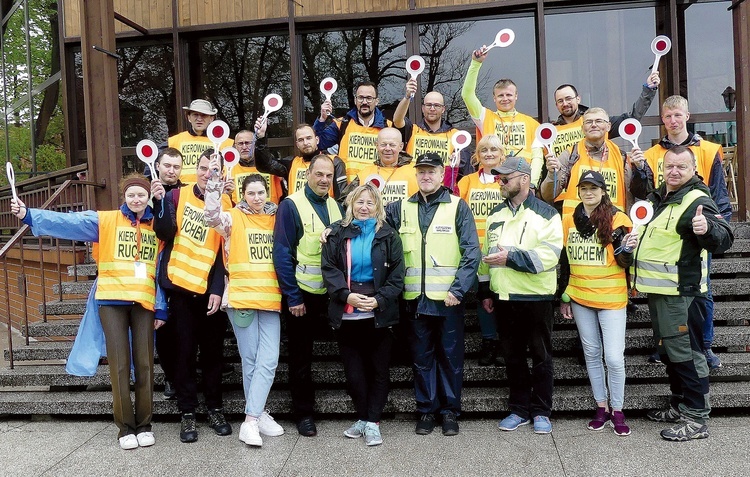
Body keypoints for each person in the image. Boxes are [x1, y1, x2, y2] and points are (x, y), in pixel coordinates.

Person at [11, 174, 165, 450]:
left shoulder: (159, 225)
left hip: (144, 304)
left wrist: (162, 308)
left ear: (148, 196)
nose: (136, 199)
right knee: (118, 367)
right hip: (111, 302)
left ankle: (145, 425)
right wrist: (28, 214)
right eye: (131, 195)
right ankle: (125, 428)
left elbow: (161, 269)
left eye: (141, 194)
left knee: (144, 366)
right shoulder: (105, 220)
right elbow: (68, 222)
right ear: (124, 197)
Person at [632, 146, 733, 441]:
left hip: (683, 293)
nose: (674, 172)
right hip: (660, 290)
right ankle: (680, 404)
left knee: (688, 354)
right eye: (670, 166)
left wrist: (707, 228)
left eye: (681, 167)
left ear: (693, 170)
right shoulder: (660, 197)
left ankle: (697, 418)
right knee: (670, 353)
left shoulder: (697, 199)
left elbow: (724, 237)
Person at [630, 95, 733, 369]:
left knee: (703, 292)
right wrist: (639, 170)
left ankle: (705, 346)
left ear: (687, 115)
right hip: (663, 238)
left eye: (678, 115)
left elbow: (720, 196)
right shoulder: (651, 155)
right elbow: (645, 196)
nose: (673, 121)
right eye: (668, 116)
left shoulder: (710, 150)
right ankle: (662, 346)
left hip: (698, 231)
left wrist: (714, 229)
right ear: (662, 120)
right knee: (660, 295)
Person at [385, 152, 481, 437]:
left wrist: (458, 289)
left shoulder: (457, 206)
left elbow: (471, 252)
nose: (426, 176)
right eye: (421, 172)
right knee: (421, 358)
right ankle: (426, 411)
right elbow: (371, 224)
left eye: (431, 172)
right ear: (416, 175)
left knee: (451, 358)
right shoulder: (399, 208)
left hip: (448, 300)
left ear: (442, 175)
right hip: (414, 299)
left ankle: (450, 412)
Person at [152, 149, 231, 444]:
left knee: (213, 355)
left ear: (221, 173)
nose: (207, 173)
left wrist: (217, 289)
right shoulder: (177, 196)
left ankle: (215, 408)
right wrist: (159, 203)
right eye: (202, 167)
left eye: (214, 169)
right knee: (184, 354)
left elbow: (225, 251)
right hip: (181, 288)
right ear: (195, 170)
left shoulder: (227, 202)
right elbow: (164, 232)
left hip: (210, 292)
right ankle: (188, 412)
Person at [480, 157, 563, 435]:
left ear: (525, 179)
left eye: (506, 178)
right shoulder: (494, 214)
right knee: (512, 357)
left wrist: (511, 258)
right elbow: (485, 257)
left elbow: (549, 256)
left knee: (541, 357)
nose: (500, 182)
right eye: (499, 178)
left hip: (536, 298)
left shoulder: (548, 213)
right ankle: (518, 409)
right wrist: (485, 290)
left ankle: (541, 411)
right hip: (504, 297)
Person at [204, 168, 285, 447]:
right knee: (250, 361)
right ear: (242, 195)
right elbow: (211, 217)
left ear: (268, 193)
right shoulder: (232, 218)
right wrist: (214, 189)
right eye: (250, 193)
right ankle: (254, 418)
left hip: (271, 299)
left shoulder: (277, 218)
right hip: (241, 300)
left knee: (269, 359)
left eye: (261, 192)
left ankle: (255, 416)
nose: (256, 197)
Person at [321, 183, 405, 447]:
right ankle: (362, 417)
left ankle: (373, 422)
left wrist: (378, 300)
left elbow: (397, 276)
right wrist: (346, 296)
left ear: (378, 206)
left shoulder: (389, 235)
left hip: (378, 313)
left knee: (379, 370)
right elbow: (329, 268)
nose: (364, 207)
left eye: (370, 203)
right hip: (347, 312)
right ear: (350, 205)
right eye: (360, 202)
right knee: (354, 373)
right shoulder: (336, 233)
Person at [558, 170, 637, 436]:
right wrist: (565, 294)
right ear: (578, 191)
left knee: (613, 358)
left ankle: (618, 409)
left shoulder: (618, 218)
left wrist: (626, 249)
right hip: (580, 296)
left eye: (593, 188)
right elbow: (566, 260)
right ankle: (601, 407)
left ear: (603, 191)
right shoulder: (568, 219)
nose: (588, 193)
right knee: (591, 355)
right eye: (583, 188)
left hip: (612, 297)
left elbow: (625, 263)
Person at [272, 154, 344, 437]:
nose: (324, 180)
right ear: (308, 175)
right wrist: (293, 297)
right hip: (303, 293)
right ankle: (303, 413)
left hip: (333, 294)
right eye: (319, 175)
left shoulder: (337, 206)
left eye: (328, 176)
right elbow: (282, 253)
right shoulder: (291, 206)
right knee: (300, 358)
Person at [461, 49, 543, 186]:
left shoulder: (532, 123)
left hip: (521, 183)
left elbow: (537, 158)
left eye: (509, 95)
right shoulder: (485, 117)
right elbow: (467, 95)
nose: (505, 99)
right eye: (500, 95)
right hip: (491, 182)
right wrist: (475, 64)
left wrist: (532, 183)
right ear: (494, 98)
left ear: (516, 96)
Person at [457, 135, 505, 366]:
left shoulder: (508, 180)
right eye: (484, 150)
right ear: (477, 155)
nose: (488, 154)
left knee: (503, 297)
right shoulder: (466, 182)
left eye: (494, 149)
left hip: (503, 250)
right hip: (476, 251)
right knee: (483, 298)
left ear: (502, 154)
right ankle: (488, 342)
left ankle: (504, 341)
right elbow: (458, 212)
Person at [540, 107, 631, 216]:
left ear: (608, 126)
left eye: (598, 121)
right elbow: (548, 195)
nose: (593, 125)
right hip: (577, 227)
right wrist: (552, 174)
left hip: (611, 225)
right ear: (583, 128)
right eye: (588, 122)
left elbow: (630, 195)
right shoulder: (569, 155)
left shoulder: (621, 157)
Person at [549, 73, 660, 156]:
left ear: (578, 99)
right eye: (560, 101)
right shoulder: (551, 132)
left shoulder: (597, 123)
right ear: (556, 105)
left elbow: (632, 118)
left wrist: (649, 90)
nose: (565, 104)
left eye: (568, 99)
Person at [393, 78, 474, 185]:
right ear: (422, 108)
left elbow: (464, 175)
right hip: (413, 191)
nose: (432, 108)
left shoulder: (456, 136)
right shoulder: (412, 130)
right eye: (428, 105)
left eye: (436, 105)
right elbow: (397, 120)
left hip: (443, 195)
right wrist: (407, 96)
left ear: (443, 109)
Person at [153, 147, 186, 401]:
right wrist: (155, 200)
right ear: (158, 165)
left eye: (176, 166)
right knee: (162, 327)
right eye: (167, 165)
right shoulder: (145, 191)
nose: (171, 171)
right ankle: (170, 376)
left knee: (183, 328)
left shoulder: (185, 192)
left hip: (183, 267)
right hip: (154, 267)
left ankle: (183, 373)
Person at [314, 81, 393, 181]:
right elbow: (317, 144)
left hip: (377, 189)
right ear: (355, 100)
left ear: (376, 101)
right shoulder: (342, 124)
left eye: (369, 98)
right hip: (347, 190)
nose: (364, 102)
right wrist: (322, 119)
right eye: (360, 97)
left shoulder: (388, 127)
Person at [254, 121, 347, 199]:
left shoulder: (334, 162)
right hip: (296, 218)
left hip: (324, 217)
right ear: (297, 144)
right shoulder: (291, 164)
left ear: (317, 140)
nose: (306, 143)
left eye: (309, 138)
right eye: (301, 140)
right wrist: (261, 138)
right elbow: (265, 165)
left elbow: (342, 198)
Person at [346, 127, 418, 205]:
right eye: (383, 144)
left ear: (401, 146)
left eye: (392, 145)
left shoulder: (415, 172)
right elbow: (345, 202)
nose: (387, 148)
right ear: (377, 145)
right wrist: (348, 201)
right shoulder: (364, 174)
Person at [168, 99, 233, 184]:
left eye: (204, 115)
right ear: (189, 117)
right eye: (195, 115)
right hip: (182, 193)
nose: (199, 119)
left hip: (212, 192)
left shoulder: (226, 143)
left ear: (211, 118)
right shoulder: (174, 141)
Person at [229, 129, 284, 204]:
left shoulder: (270, 168)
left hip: (269, 214)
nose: (244, 147)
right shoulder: (229, 169)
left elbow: (282, 196)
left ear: (255, 144)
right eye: (240, 144)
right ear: (235, 146)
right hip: (240, 214)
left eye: (248, 143)